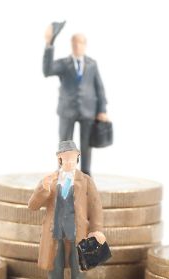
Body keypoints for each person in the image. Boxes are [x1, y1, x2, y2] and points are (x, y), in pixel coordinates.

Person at [27, 140, 105, 279]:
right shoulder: (50, 181)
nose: (69, 162)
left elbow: (95, 206)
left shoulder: (85, 181)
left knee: (79, 266)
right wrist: (43, 188)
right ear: (59, 159)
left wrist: (97, 229)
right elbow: (32, 206)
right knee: (54, 266)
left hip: (78, 232)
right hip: (55, 232)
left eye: (72, 158)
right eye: (65, 158)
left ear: (78, 157)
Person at [43, 24, 109, 175]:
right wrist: (49, 44)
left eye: (80, 43)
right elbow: (47, 70)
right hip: (67, 110)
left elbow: (99, 87)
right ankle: (63, 172)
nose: (77, 46)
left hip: (88, 110)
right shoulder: (64, 64)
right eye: (74, 43)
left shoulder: (92, 64)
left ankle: (86, 174)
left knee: (86, 144)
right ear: (71, 45)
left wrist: (102, 110)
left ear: (85, 45)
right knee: (65, 142)